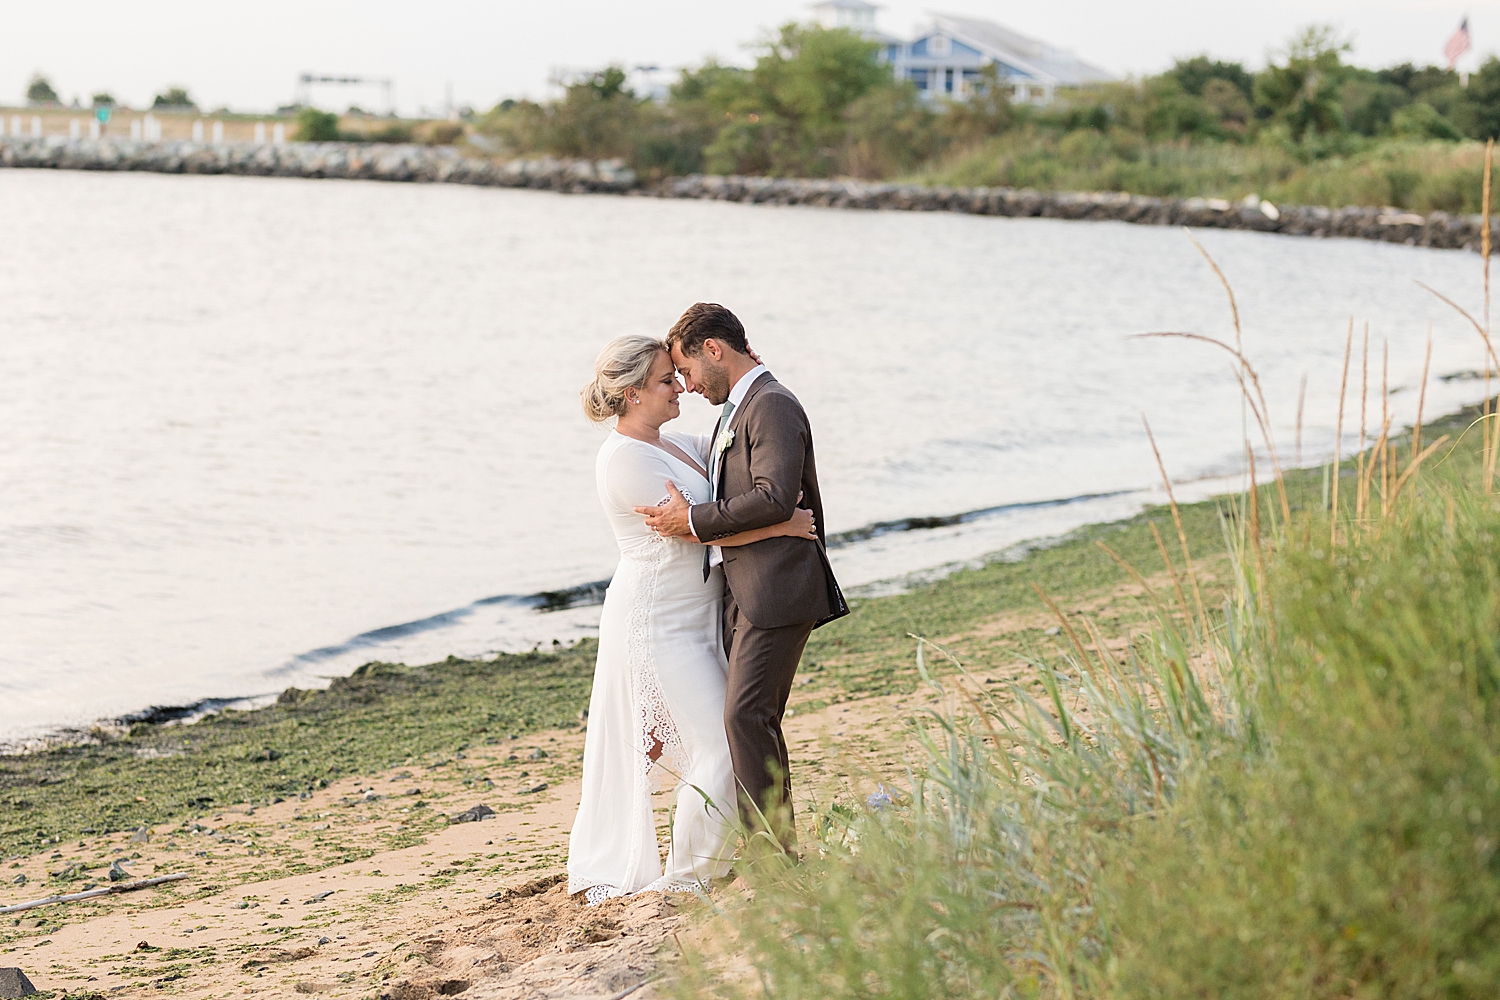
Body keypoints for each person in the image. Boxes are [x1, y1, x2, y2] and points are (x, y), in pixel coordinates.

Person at [567, 334, 819, 903]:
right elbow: (688, 532)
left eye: (678, 374)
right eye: (665, 380)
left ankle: (711, 862)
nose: (679, 385)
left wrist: (763, 398)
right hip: (657, 621)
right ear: (631, 395)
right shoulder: (624, 461)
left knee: (725, 737)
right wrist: (780, 527)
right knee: (720, 743)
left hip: (698, 616)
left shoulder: (674, 443)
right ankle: (688, 877)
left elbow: (726, 489)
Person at [638, 303, 846, 851]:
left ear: (714, 350)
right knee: (754, 721)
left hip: (776, 587)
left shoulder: (771, 404)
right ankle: (772, 851)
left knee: (746, 717)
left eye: (685, 370)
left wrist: (692, 522)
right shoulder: (737, 408)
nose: (684, 383)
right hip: (748, 589)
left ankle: (776, 857)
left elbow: (774, 496)